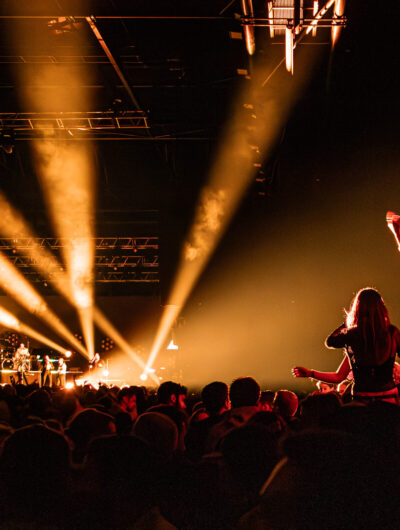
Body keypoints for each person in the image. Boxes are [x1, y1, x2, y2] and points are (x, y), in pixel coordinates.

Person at [292, 287, 400, 405]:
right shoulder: (392, 333)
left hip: (362, 401)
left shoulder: (352, 336)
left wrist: (348, 323)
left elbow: (331, 342)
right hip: (389, 398)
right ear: (381, 309)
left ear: (358, 309)